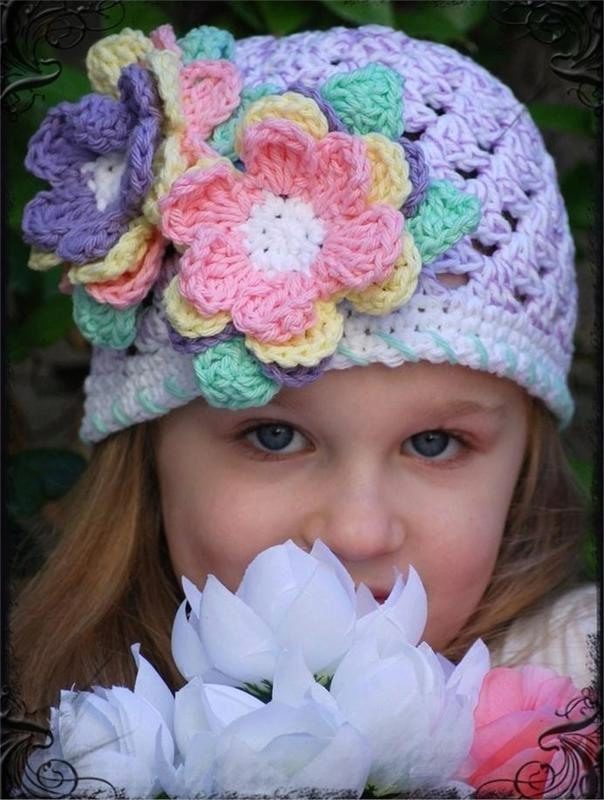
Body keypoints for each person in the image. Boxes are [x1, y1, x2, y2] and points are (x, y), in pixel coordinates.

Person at [10, 21, 597, 727]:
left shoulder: (572, 713)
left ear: (525, 465)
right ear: (148, 455)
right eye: (275, 437)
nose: (356, 533)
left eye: (435, 443)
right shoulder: (52, 736)